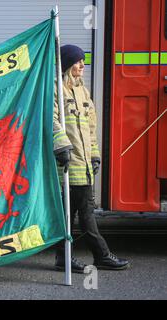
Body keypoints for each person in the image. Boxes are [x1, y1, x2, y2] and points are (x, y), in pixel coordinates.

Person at [52, 44, 129, 273]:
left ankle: (64, 257)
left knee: (72, 215)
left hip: (84, 166)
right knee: (80, 214)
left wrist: (94, 155)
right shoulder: (56, 90)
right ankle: (100, 255)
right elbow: (51, 118)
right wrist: (61, 146)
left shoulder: (83, 92)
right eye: (78, 61)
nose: (82, 65)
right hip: (67, 163)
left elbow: (90, 128)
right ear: (66, 65)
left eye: (83, 61)